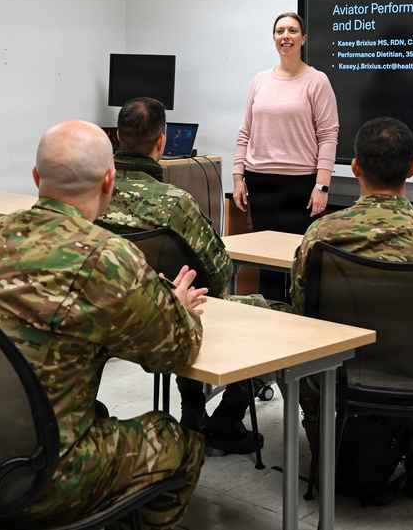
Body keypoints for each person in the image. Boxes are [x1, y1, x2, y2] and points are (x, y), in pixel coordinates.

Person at [0, 119, 208, 529]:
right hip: (40, 476)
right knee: (175, 440)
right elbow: (176, 351)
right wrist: (175, 306)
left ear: (36, 178)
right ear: (110, 181)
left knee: (98, 411)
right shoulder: (107, 255)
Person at [290, 116, 413, 499]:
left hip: (339, 373)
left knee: (297, 340)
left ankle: (322, 453)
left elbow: (302, 308)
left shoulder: (322, 234)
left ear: (355, 167)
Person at [97, 97, 279, 455]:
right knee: (274, 313)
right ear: (162, 142)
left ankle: (193, 410)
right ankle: (226, 418)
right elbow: (220, 271)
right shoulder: (174, 202)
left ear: (117, 137)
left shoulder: (93, 192)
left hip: (112, 316)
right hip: (172, 316)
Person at [233, 11, 339, 302]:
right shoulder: (259, 80)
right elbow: (245, 132)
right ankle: (270, 319)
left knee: (296, 260)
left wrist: (322, 185)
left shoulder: (317, 81)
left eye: (292, 31)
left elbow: (328, 136)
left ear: (303, 38)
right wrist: (238, 177)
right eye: (280, 31)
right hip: (260, 181)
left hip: (300, 184)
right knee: (266, 261)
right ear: (274, 38)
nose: (286, 37)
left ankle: (296, 319)